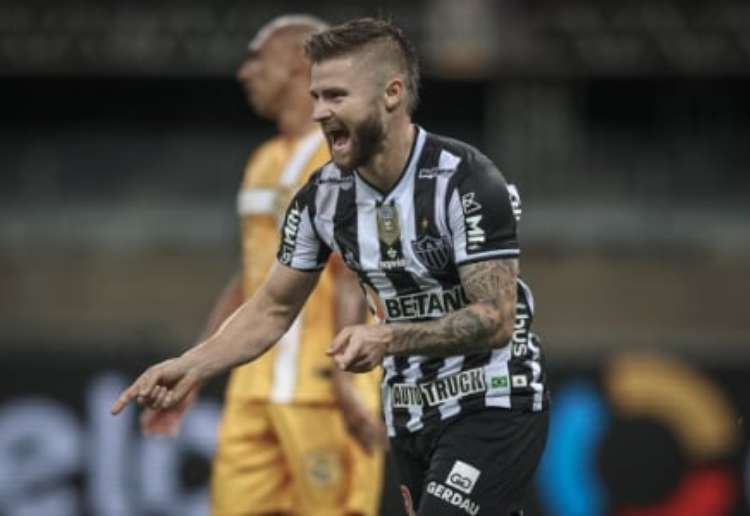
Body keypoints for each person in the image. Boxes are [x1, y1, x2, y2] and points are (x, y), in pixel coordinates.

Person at [113, 17, 549, 516]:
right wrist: (190, 366)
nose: (319, 112)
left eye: (336, 96)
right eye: (317, 95)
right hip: (409, 412)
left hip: (491, 400)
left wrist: (386, 338)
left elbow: (496, 318)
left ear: (391, 94)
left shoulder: (466, 182)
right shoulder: (323, 197)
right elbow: (274, 307)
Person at [136, 15, 385, 516]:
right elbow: (251, 277)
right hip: (253, 388)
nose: (245, 73)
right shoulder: (262, 161)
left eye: (258, 60)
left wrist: (343, 380)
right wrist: (196, 371)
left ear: (298, 63)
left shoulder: (346, 154)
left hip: (321, 390)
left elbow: (353, 271)